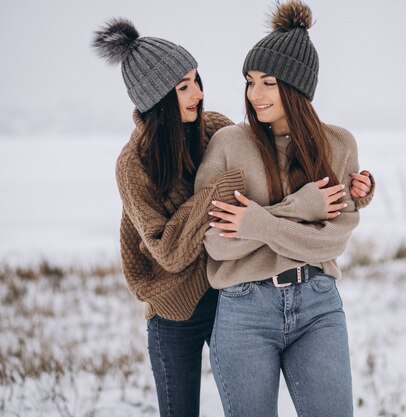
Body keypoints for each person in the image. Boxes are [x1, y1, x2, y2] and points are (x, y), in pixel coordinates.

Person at [93, 17, 364, 417]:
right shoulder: (135, 165)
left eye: (196, 80)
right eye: (183, 87)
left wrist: (355, 192)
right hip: (177, 308)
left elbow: (313, 209)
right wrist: (227, 201)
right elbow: (179, 248)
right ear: (157, 97)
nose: (198, 93)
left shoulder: (215, 130)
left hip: (234, 293)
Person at [194, 1, 374, 416]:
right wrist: (301, 210)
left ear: (295, 87)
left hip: (318, 304)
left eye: (268, 82)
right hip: (243, 309)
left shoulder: (338, 145)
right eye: (249, 82)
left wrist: (257, 222)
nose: (254, 94)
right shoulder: (228, 145)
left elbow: (332, 240)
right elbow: (217, 245)